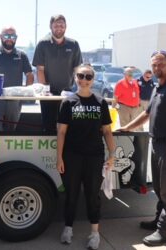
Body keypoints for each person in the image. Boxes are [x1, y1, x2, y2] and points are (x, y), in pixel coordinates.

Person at [118, 50, 166, 246]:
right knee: (159, 187)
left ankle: (165, 230)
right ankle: (159, 222)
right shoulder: (158, 87)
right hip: (157, 143)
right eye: (154, 65)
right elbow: (147, 114)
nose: (157, 68)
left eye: (161, 64)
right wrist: (126, 127)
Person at [57, 65, 115, 249]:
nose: (84, 79)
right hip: (72, 156)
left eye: (88, 76)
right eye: (80, 75)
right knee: (71, 194)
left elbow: (107, 131)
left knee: (92, 196)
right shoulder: (68, 102)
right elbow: (61, 132)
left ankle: (95, 233)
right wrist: (59, 157)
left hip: (94, 156)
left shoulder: (100, 102)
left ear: (93, 79)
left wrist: (112, 154)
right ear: (75, 77)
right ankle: (68, 228)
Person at [32, 14, 82, 132]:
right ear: (50, 26)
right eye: (56, 25)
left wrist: (80, 90)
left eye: (61, 25)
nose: (59, 28)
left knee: (67, 126)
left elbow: (77, 70)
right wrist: (45, 91)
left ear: (66, 26)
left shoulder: (73, 44)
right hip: (48, 94)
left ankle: (66, 150)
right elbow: (40, 70)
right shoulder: (42, 44)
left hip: (67, 93)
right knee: (49, 126)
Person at [0, 26, 34, 131]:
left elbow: (30, 74)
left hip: (14, 100)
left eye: (12, 36)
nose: (9, 38)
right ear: (1, 37)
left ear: (16, 38)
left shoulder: (21, 54)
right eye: (6, 36)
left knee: (11, 131)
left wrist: (26, 91)